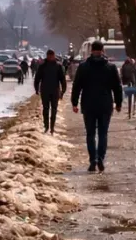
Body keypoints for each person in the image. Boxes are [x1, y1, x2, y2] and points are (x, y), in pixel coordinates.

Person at [70, 41, 122, 172]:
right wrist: (118, 103)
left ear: (91, 51)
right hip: (105, 105)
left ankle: (93, 160)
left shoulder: (83, 67)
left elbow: (77, 86)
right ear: (103, 50)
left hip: (88, 105)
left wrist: (74, 102)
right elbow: (117, 87)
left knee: (90, 134)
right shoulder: (110, 67)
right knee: (103, 134)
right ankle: (100, 158)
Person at [33, 49, 66, 133]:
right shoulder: (42, 66)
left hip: (55, 91)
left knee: (54, 109)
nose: (51, 57)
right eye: (49, 56)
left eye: (52, 56)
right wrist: (36, 89)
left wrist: (63, 91)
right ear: (47, 56)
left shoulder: (58, 66)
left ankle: (52, 127)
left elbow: (62, 79)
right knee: (45, 109)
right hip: (45, 91)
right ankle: (46, 126)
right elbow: (37, 78)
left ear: (54, 56)